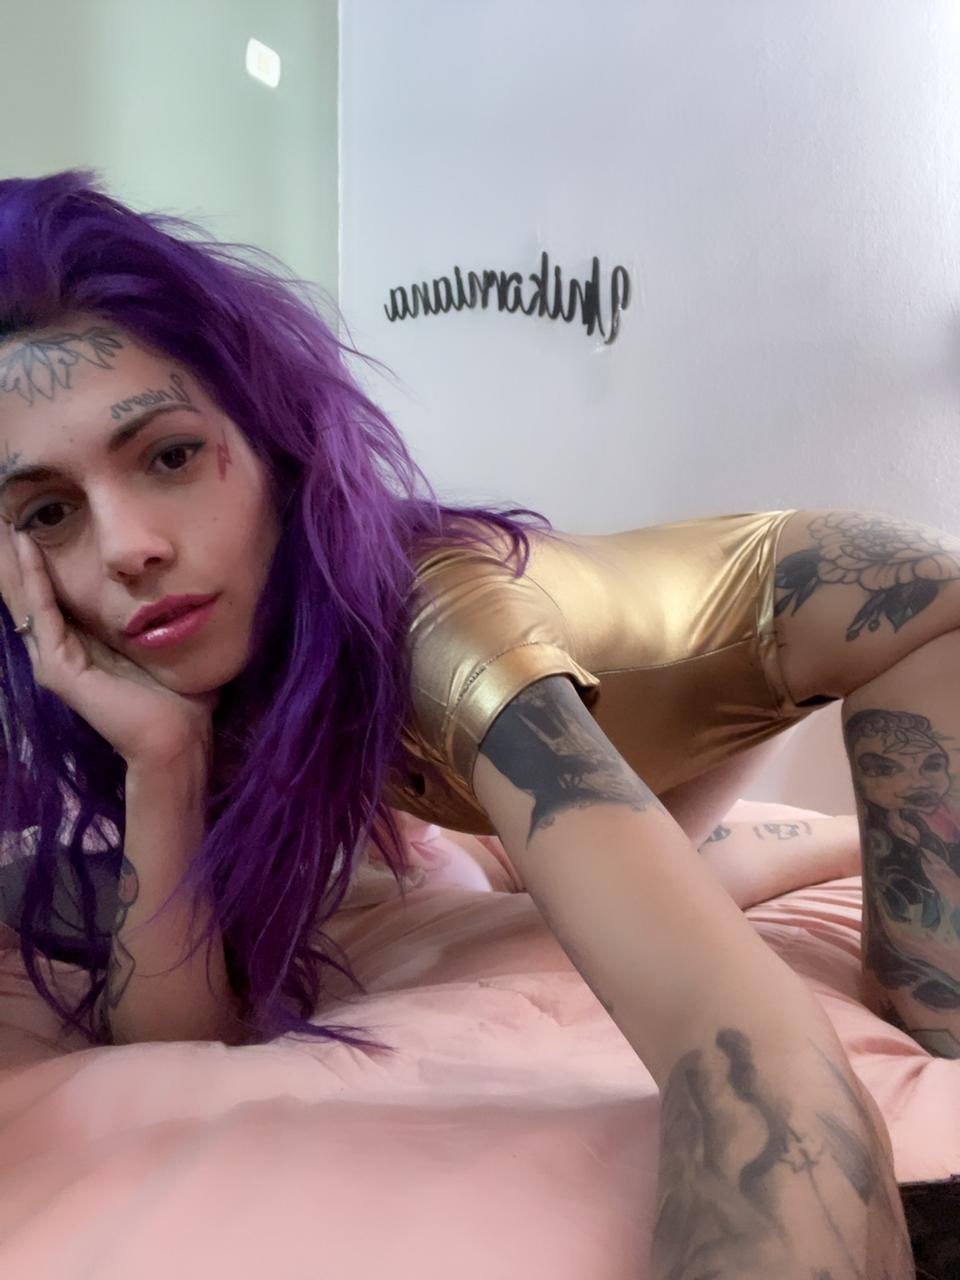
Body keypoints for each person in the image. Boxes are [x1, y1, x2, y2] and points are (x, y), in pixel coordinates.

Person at [0, 169, 920, 1276]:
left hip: (889, 626)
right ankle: (835, 838)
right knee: (576, 877)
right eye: (46, 511)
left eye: (170, 455)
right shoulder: (222, 668)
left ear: (277, 449)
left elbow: (748, 1056)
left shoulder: (438, 631)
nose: (127, 547)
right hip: (643, 705)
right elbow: (176, 1044)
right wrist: (162, 756)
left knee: (936, 1014)